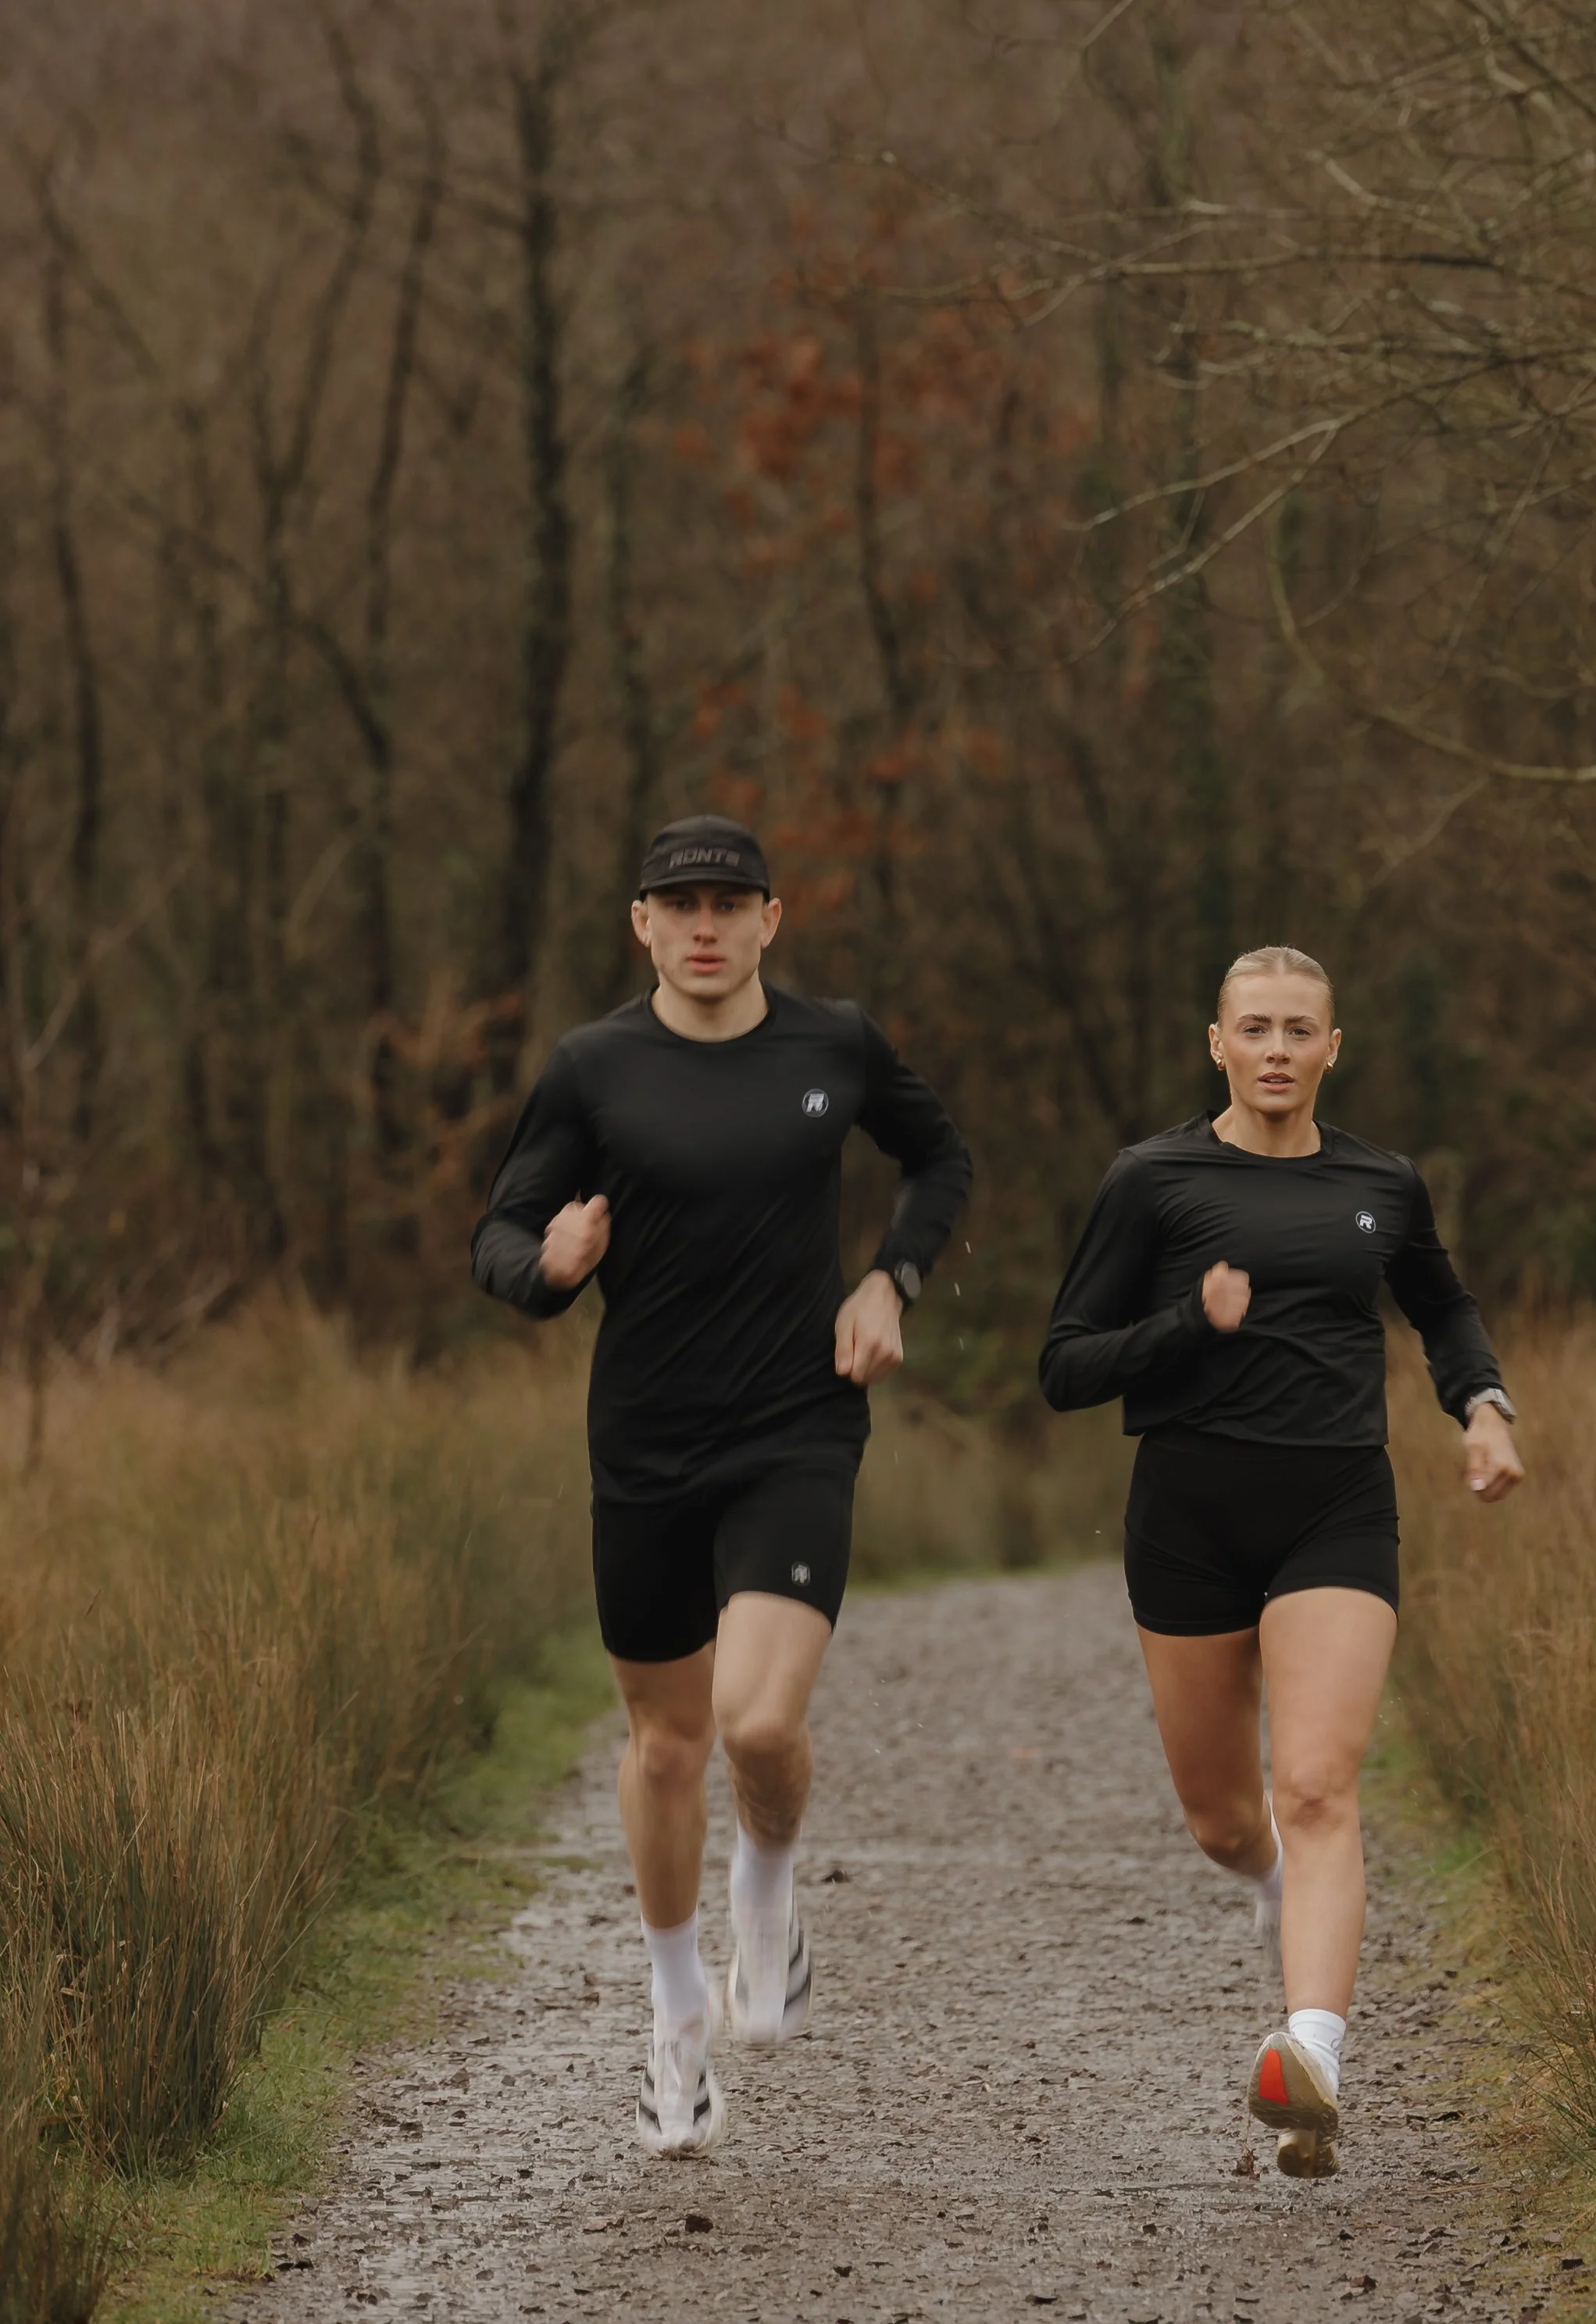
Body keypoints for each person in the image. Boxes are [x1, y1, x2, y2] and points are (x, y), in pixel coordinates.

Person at [471, 813, 970, 2158]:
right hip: (644, 1442)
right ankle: (676, 2017)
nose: (704, 924)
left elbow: (939, 1158)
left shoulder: (832, 1043)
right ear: (641, 923)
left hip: (798, 1423)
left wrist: (888, 1278)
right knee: (667, 1745)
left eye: (727, 901)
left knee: (756, 1724)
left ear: (768, 919)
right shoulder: (591, 1070)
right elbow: (499, 1236)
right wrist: (550, 1265)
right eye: (678, 902)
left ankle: (767, 1888)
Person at [1039, 944, 1523, 2178]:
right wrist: (1182, 1326)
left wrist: (1481, 1405)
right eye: (1251, 1027)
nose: (1272, 1050)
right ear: (1216, 1043)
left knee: (1314, 1785)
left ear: (1329, 1048)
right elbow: (1066, 1364)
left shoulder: (1380, 1182)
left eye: (1295, 1030)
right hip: (1186, 1515)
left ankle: (1311, 2057)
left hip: (1335, 1509)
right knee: (1220, 1816)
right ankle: (1272, 1892)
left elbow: (1443, 1306)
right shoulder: (1150, 1180)